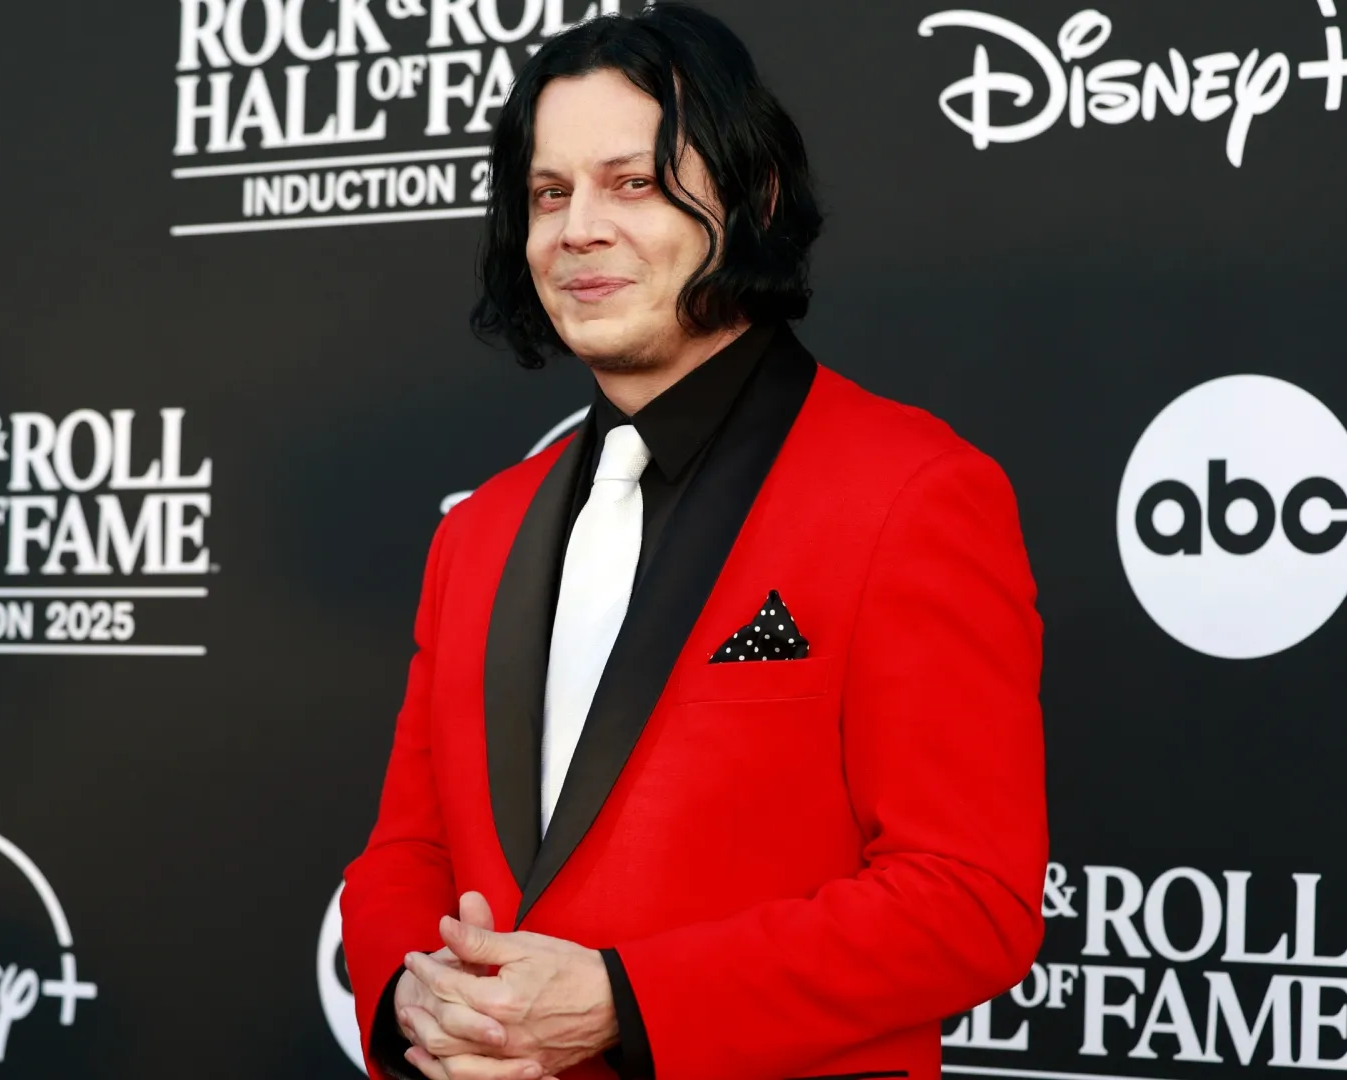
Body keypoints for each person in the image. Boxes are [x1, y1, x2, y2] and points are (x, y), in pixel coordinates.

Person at [341, 6, 1047, 1080]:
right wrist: (410, 999)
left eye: (632, 182)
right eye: (548, 193)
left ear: (753, 198)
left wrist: (626, 1003)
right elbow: (409, 851)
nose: (577, 228)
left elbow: (969, 899)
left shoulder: (913, 492)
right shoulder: (477, 532)